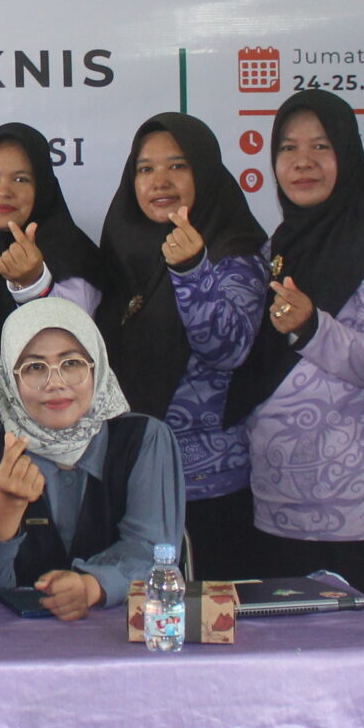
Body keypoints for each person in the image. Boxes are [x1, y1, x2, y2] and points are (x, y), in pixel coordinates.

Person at [227, 91, 364, 628]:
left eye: (321, 146)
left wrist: (312, 328)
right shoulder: (282, 242)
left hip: (363, 518)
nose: (303, 161)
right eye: (288, 148)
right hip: (279, 509)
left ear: (347, 153)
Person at [96, 113, 274, 581]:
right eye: (145, 168)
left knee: (207, 621)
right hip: (131, 480)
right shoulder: (122, 251)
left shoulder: (236, 251)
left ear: (204, 171)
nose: (160, 181)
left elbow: (228, 348)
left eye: (177, 166)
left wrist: (193, 269)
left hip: (208, 491)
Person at [0, 299, 183, 618]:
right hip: (7, 638)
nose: (56, 383)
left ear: (97, 366)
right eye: (35, 368)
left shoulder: (145, 440)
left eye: (72, 363)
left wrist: (93, 586)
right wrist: (3, 511)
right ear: (10, 379)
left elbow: (153, 551)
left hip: (120, 632)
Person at [0, 122, 112, 439]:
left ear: (43, 186)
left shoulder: (68, 252)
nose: (2, 191)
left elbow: (74, 337)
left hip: (52, 442)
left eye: (21, 179)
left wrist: (35, 282)